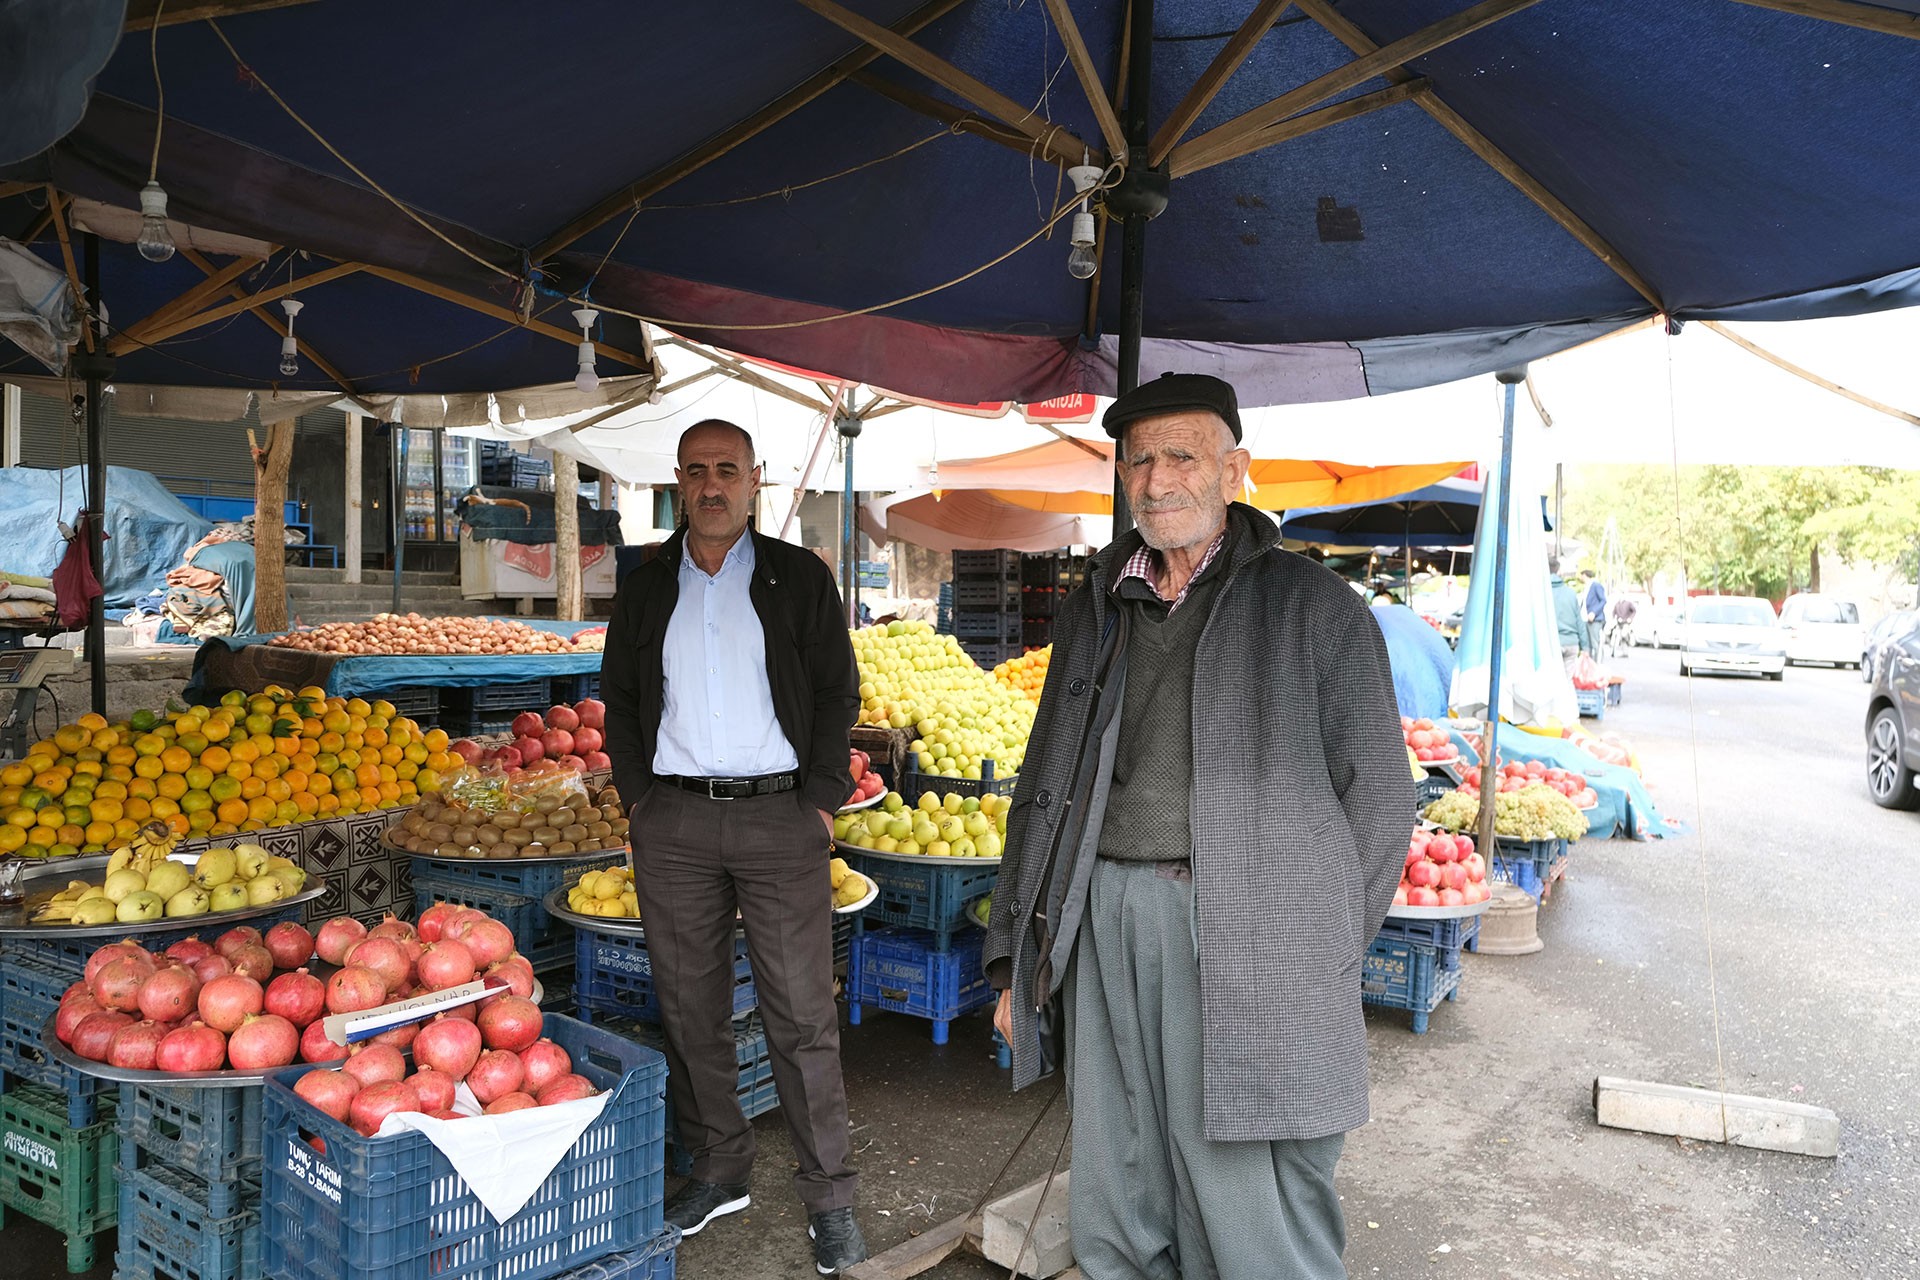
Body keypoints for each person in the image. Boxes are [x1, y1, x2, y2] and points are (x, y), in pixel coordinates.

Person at [984, 373, 1411, 1280]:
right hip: (1106, 913)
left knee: (1247, 1185)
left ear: (1235, 471)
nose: (1157, 478)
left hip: (1248, 921)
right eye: (1138, 459)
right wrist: (1013, 959)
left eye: (1182, 455)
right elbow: (1043, 783)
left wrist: (1320, 950)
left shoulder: (1314, 608)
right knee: (1119, 1161)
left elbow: (1381, 802)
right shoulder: (1096, 604)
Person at [601, 419, 868, 1274]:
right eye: (696, 472)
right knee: (688, 1008)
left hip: (779, 817)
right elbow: (621, 697)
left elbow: (836, 692)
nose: (712, 485)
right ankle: (721, 1167)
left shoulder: (799, 577)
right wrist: (640, 800)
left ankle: (830, 1194)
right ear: (678, 482)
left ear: (756, 479)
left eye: (728, 470)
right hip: (674, 821)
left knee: (800, 1015)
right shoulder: (646, 585)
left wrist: (820, 804)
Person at [1550, 557, 1589, 668]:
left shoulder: (1542, 592)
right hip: (1571, 643)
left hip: (1550, 643)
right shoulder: (1571, 594)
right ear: (1558, 572)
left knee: (1550, 681)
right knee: (1568, 681)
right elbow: (1579, 621)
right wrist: (1584, 647)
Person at [1582, 571, 1609, 655]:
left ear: (1585, 576)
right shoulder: (1586, 587)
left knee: (1594, 644)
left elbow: (1603, 600)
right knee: (1588, 644)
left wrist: (1594, 612)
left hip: (1595, 619)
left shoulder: (1596, 586)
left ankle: (1596, 663)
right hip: (1585, 618)